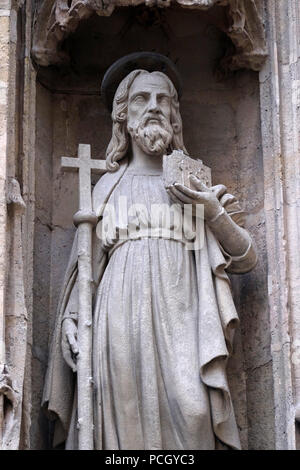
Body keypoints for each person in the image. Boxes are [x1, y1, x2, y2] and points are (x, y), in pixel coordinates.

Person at [42, 68, 257, 449]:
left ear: (175, 115)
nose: (154, 107)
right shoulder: (109, 185)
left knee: (193, 409)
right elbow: (87, 268)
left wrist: (213, 213)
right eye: (142, 99)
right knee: (123, 417)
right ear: (123, 116)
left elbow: (245, 257)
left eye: (163, 100)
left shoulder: (196, 181)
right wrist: (73, 317)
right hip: (119, 317)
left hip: (184, 313)